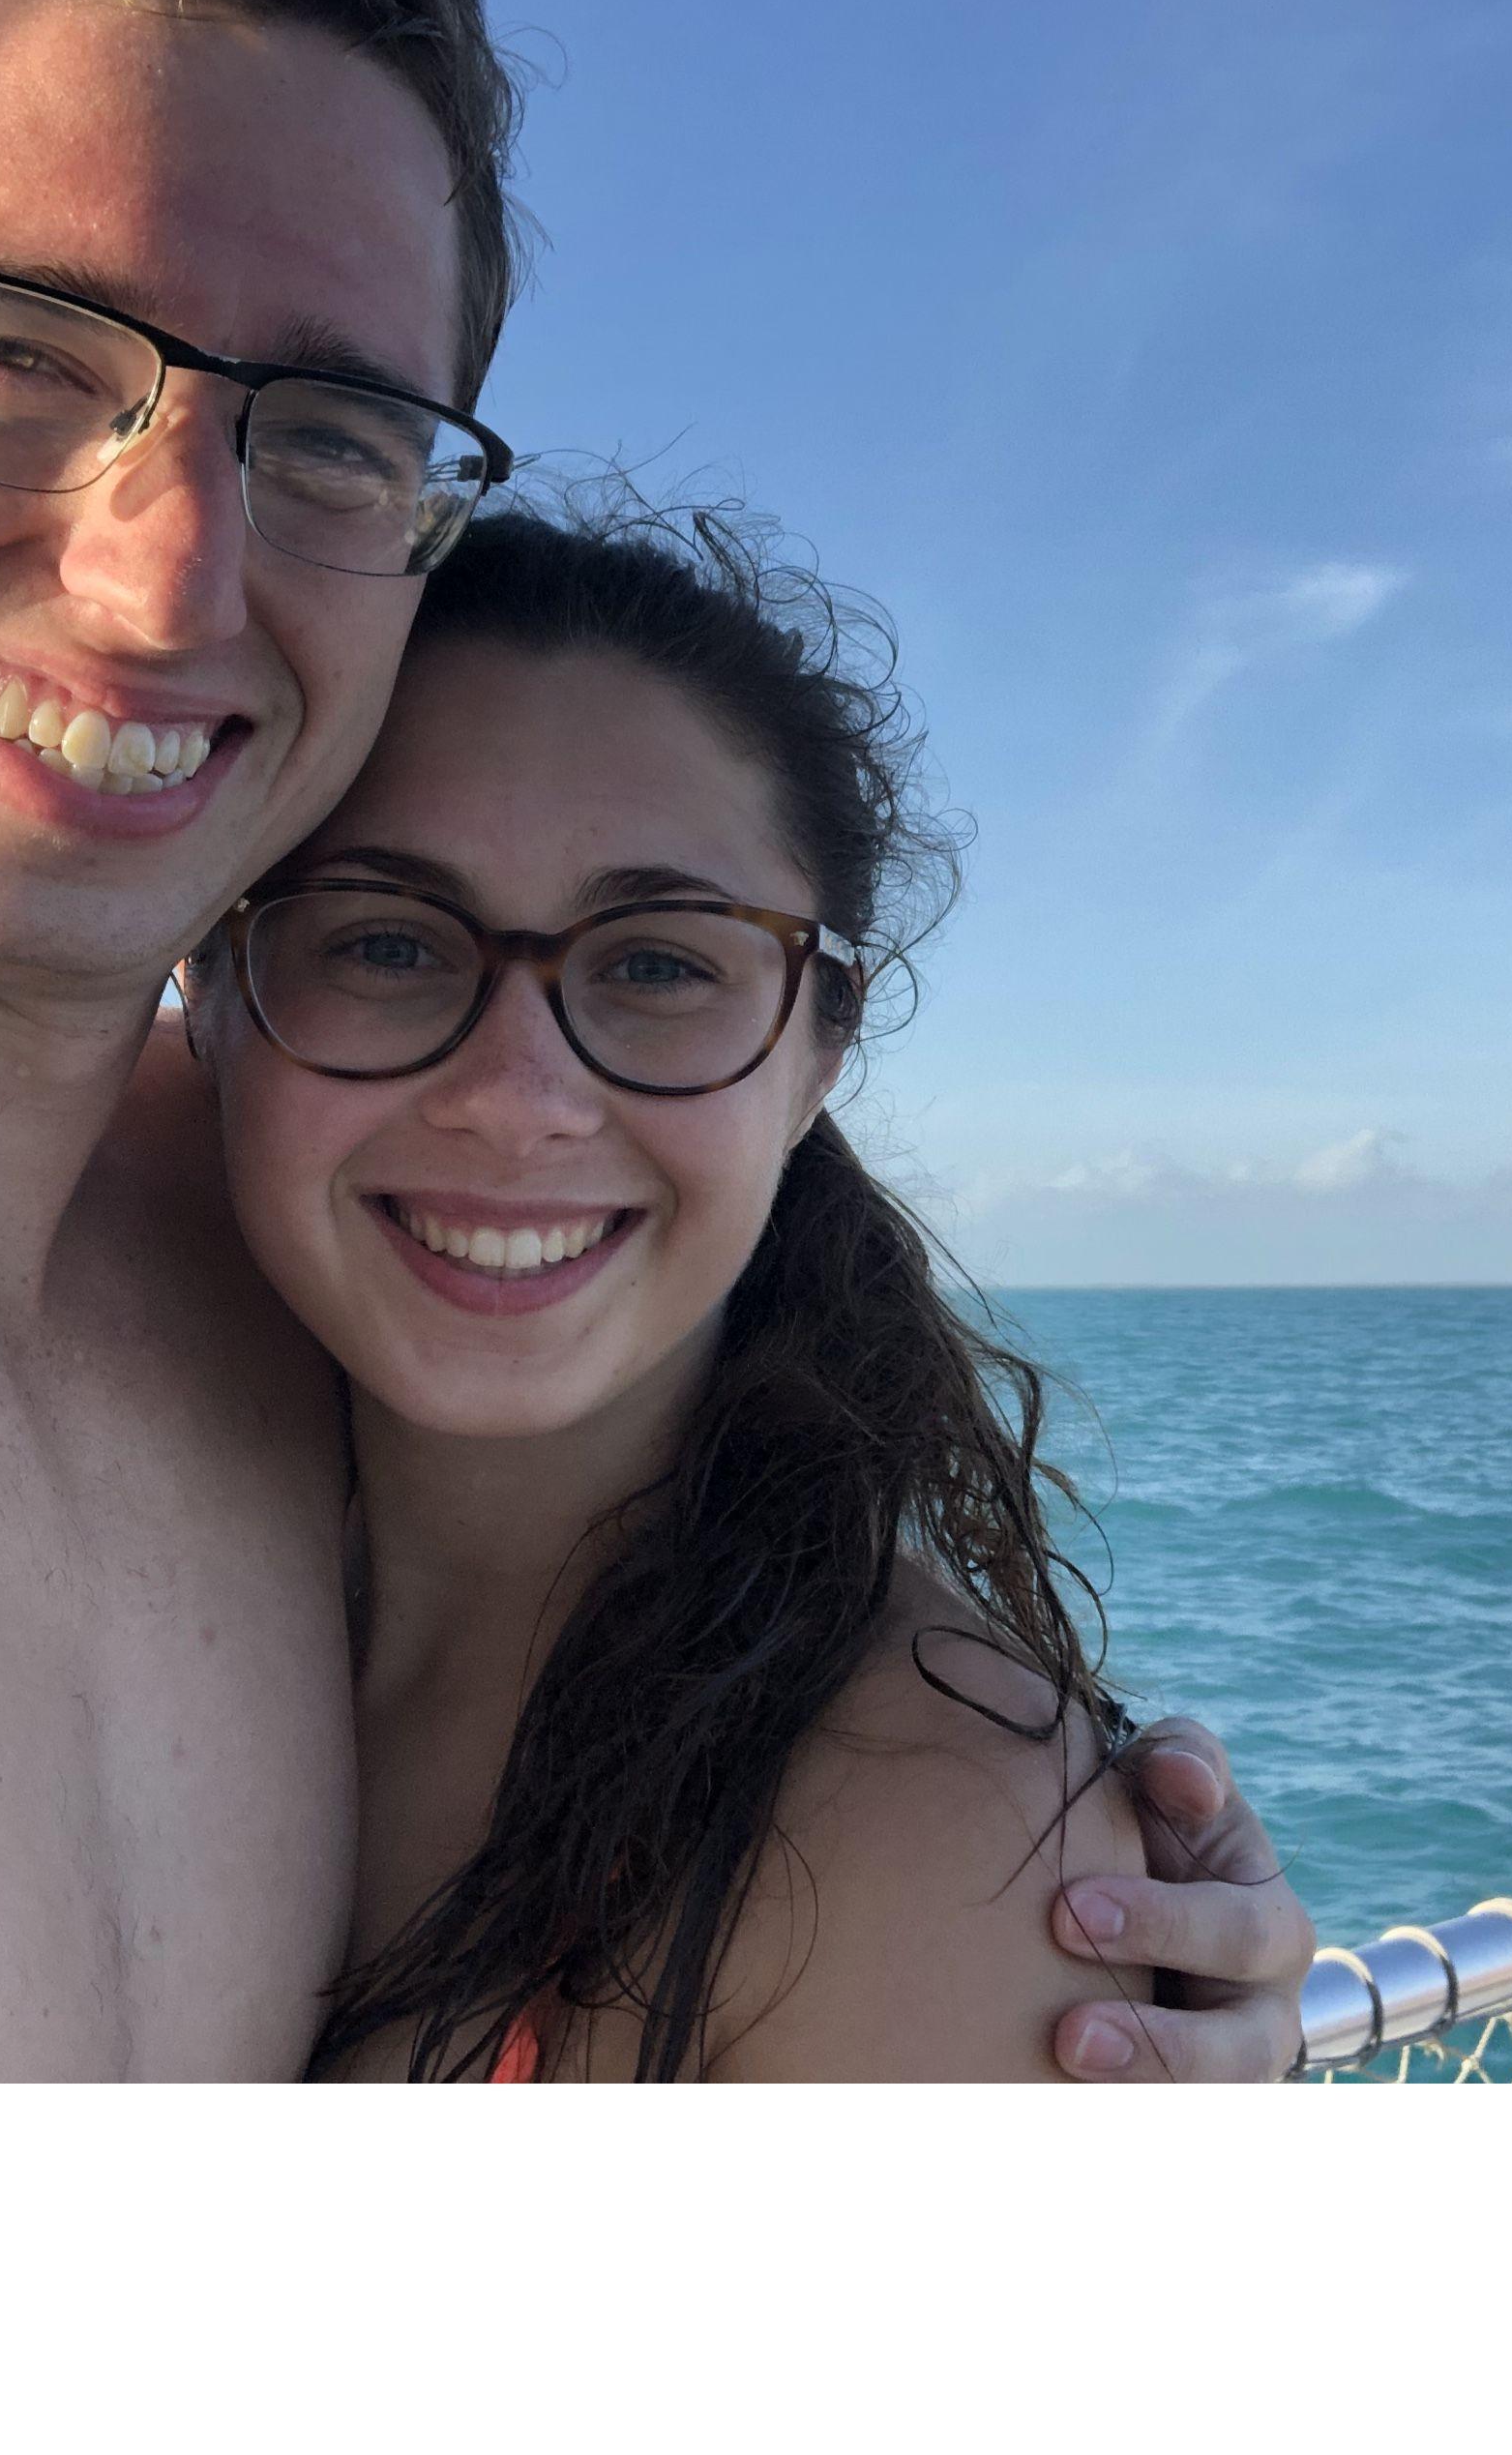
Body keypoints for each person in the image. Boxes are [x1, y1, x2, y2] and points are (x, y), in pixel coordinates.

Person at [0, 0, 1310, 2081]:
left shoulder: (284, 1253)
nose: (169, 583)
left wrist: (1030, 1920)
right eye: (0, 350)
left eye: (334, 435)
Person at [195, 497, 1162, 2079]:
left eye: (657, 964)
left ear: (817, 1053)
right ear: (212, 988)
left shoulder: (928, 1826)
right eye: (384, 943)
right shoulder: (64, 1499)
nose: (517, 1095)